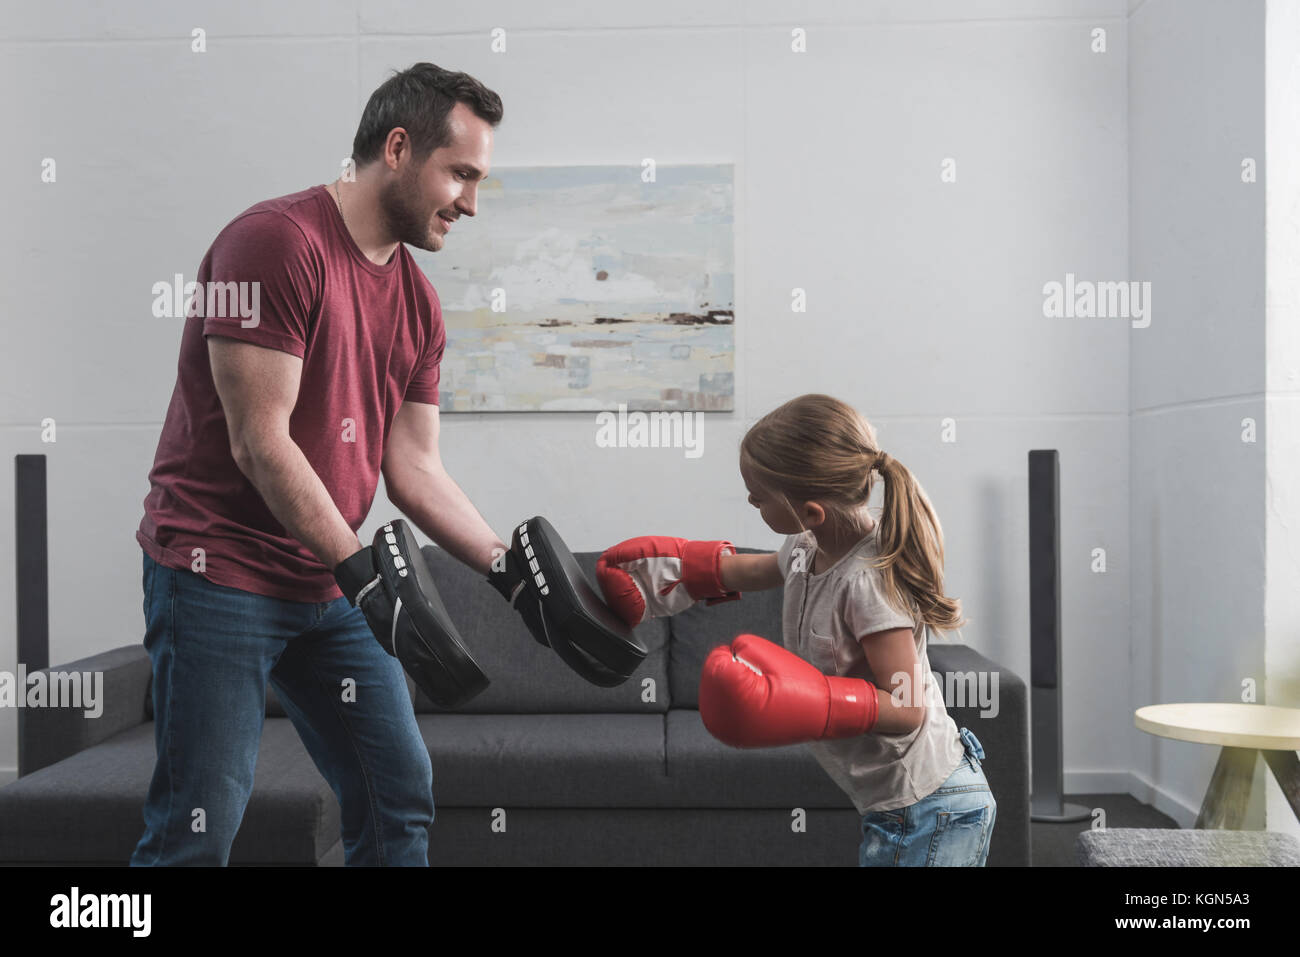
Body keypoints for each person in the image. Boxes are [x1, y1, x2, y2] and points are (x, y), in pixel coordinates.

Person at [132, 63, 511, 866]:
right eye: (462, 174)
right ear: (399, 148)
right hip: (218, 573)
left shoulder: (418, 302)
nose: (472, 204)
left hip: (328, 583)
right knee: (198, 827)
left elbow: (413, 467)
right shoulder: (275, 242)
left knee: (397, 790)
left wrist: (508, 569)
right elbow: (260, 441)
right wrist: (363, 570)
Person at [598, 393, 996, 866]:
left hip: (931, 805)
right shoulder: (806, 547)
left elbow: (908, 707)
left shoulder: (869, 584)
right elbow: (750, 571)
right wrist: (674, 573)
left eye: (759, 495)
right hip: (895, 804)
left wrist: (819, 700)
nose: (750, 500)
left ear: (811, 511)